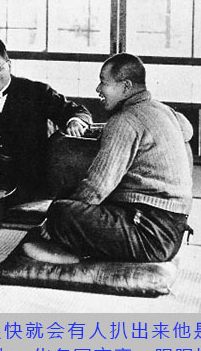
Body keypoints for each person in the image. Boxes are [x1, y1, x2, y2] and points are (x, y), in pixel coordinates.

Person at [41, 53, 193, 262]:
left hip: (149, 234)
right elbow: (187, 130)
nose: (98, 89)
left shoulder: (124, 121)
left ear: (126, 86)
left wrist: (56, 222)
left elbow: (97, 188)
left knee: (60, 210)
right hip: (171, 225)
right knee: (69, 198)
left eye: (104, 82)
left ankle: (71, 250)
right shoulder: (162, 109)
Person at [0, 38, 92, 202]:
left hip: (29, 179)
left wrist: (75, 121)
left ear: (9, 64)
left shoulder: (35, 92)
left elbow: (77, 111)